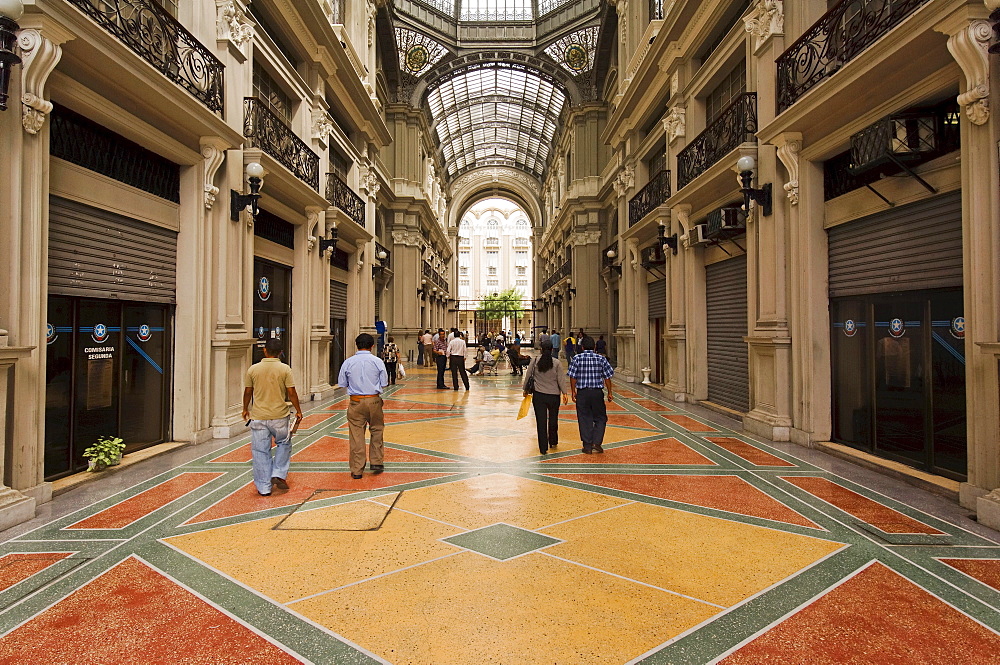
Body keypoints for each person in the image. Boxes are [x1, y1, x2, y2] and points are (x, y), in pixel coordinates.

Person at [242, 339, 303, 496]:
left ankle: (264, 487)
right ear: (280, 352)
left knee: (260, 451)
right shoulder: (285, 369)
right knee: (284, 443)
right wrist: (298, 410)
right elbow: (291, 392)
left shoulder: (253, 369)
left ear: (265, 351)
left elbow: (248, 391)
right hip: (279, 416)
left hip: (258, 416)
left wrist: (245, 409)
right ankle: (278, 472)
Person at [338, 333, 388, 479]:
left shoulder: (348, 362)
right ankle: (377, 462)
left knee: (356, 436)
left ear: (357, 345)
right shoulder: (378, 361)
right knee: (377, 430)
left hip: (356, 401)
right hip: (374, 400)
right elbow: (384, 383)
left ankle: (357, 470)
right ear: (372, 346)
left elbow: (342, 383)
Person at [567, 336, 615, 454]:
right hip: (597, 393)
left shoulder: (577, 358)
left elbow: (573, 376)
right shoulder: (601, 359)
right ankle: (596, 442)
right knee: (600, 417)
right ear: (594, 347)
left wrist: (573, 391)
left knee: (584, 418)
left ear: (582, 347)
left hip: (582, 393)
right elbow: (607, 377)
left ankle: (587, 445)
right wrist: (609, 392)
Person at [523, 340, 569, 454]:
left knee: (541, 421)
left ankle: (543, 447)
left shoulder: (534, 361)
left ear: (541, 350)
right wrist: (565, 392)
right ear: (552, 349)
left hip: (539, 396)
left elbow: (528, 376)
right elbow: (561, 379)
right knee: (553, 419)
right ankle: (553, 441)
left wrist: (525, 390)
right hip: (554, 396)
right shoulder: (557, 363)